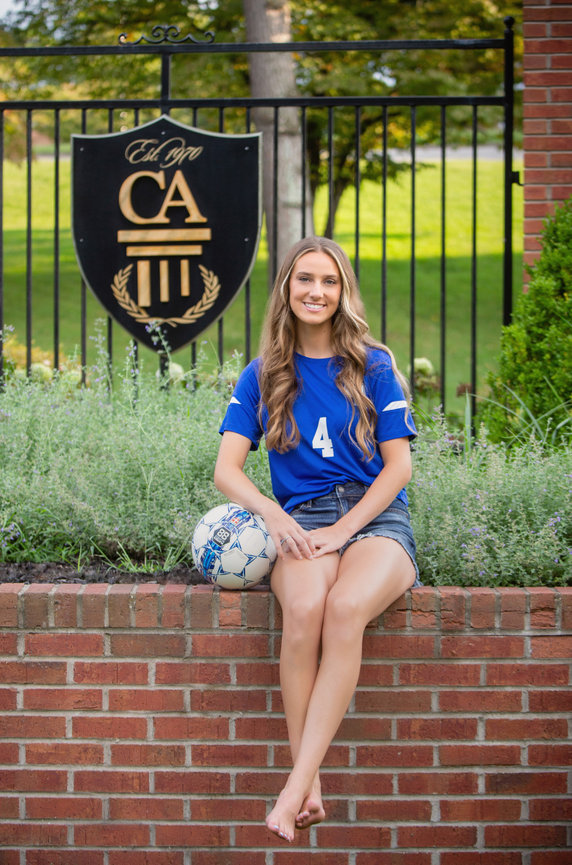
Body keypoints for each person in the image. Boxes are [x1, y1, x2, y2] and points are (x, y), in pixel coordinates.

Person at [213, 236, 421, 843]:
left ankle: (293, 787)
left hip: (375, 522)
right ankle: (313, 787)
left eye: (329, 282)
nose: (316, 292)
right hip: (300, 518)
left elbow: (399, 469)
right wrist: (273, 517)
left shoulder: (374, 363)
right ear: (286, 288)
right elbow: (226, 470)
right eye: (305, 279)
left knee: (344, 607)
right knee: (304, 608)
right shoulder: (263, 374)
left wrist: (343, 531)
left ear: (343, 292)